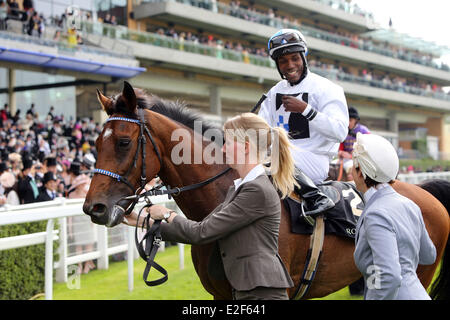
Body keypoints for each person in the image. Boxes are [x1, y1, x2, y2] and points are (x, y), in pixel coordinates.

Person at [132, 113, 296, 300]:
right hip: (250, 291)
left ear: (246, 147)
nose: (223, 149)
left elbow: (202, 232)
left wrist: (166, 213)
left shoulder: (256, 190)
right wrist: (142, 222)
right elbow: (199, 228)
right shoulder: (240, 188)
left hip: (261, 293)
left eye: (228, 142)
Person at [258, 28, 349, 221]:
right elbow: (262, 128)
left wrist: (306, 110)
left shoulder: (327, 88)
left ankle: (315, 197)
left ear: (304, 57)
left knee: (277, 154)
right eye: (283, 61)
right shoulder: (274, 92)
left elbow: (340, 132)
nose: (290, 65)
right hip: (280, 156)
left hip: (314, 159)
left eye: (294, 58)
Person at [352, 132, 436, 300]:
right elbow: (429, 255)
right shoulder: (409, 204)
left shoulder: (376, 214)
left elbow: (389, 276)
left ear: (361, 172)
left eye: (353, 168)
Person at [67, 161, 96, 274]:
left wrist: (92, 221)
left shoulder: (87, 194)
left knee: (88, 244)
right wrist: (70, 229)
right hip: (76, 221)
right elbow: (69, 214)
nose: (83, 185)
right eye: (81, 184)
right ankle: (79, 265)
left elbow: (92, 208)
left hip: (87, 220)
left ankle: (87, 265)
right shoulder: (71, 195)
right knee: (78, 245)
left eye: (84, 183)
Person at [338, 106, 370, 181]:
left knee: (350, 172)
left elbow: (368, 150)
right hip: (345, 159)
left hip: (360, 160)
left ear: (356, 120)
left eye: (350, 120)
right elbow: (341, 148)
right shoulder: (344, 131)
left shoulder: (364, 131)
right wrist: (340, 152)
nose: (348, 123)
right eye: (347, 120)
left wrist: (350, 156)